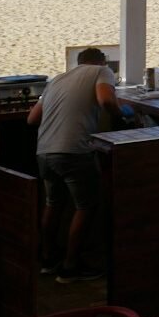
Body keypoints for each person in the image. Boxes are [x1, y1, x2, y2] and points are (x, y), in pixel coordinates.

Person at [28, 47, 120, 283]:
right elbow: (106, 100)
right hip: (73, 151)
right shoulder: (102, 71)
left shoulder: (57, 80)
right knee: (86, 206)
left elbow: (32, 118)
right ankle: (70, 267)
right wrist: (121, 113)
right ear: (102, 61)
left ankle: (48, 259)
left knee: (53, 203)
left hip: (44, 151)